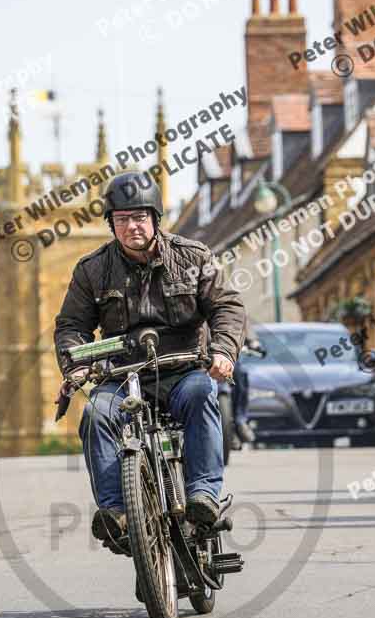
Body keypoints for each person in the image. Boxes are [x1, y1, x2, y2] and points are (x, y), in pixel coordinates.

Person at [54, 172, 247, 546]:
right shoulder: (92, 271)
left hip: (183, 369)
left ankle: (203, 497)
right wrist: (75, 362)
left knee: (200, 395)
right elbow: (71, 326)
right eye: (122, 219)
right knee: (96, 414)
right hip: (122, 377)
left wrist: (223, 350)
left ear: (155, 218)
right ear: (111, 224)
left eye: (140, 217)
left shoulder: (192, 257)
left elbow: (226, 306)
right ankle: (117, 514)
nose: (132, 226)